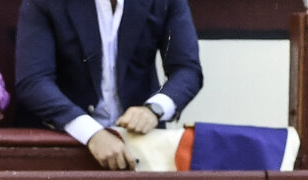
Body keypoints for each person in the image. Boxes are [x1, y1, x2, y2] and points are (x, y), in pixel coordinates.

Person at [14, 0, 203, 170]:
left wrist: (154, 109)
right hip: (67, 140)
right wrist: (91, 132)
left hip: (140, 141)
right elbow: (33, 81)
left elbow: (187, 69)